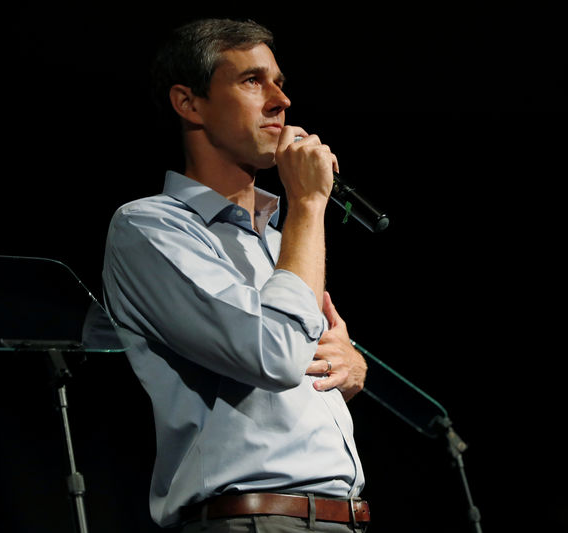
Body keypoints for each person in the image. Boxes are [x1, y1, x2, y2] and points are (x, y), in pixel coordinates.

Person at [101, 18, 369, 532]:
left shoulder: (278, 239)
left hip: (342, 518)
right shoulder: (150, 227)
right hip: (252, 521)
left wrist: (351, 368)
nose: (280, 101)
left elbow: (311, 358)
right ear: (190, 103)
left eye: (280, 82)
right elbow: (274, 355)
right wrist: (309, 204)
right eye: (252, 81)